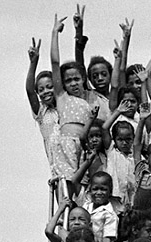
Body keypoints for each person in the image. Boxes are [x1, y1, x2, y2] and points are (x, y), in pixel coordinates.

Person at [48, 14, 93, 191]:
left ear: (83, 79)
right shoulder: (62, 97)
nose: (73, 83)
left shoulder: (89, 99)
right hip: (66, 143)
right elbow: (54, 62)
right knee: (66, 186)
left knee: (82, 187)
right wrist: (55, 33)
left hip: (83, 145)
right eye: (69, 80)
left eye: (77, 79)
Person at [25, 36, 58, 169]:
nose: (46, 91)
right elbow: (29, 90)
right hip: (56, 165)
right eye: (41, 90)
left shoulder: (65, 105)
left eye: (50, 87)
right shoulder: (41, 112)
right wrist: (33, 62)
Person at [78, 172, 117, 242]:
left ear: (110, 191)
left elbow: (108, 238)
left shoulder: (109, 214)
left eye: (103, 189)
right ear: (90, 190)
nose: (99, 193)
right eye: (95, 189)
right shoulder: (86, 206)